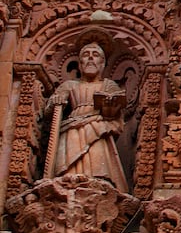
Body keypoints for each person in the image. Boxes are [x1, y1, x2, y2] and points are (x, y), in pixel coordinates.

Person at [45, 41, 128, 191]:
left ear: (102, 63)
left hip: (98, 129)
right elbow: (49, 111)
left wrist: (110, 107)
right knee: (68, 168)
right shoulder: (70, 85)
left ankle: (98, 185)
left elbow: (118, 112)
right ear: (80, 63)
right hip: (72, 129)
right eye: (86, 55)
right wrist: (55, 101)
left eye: (95, 55)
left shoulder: (109, 85)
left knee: (97, 161)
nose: (90, 58)